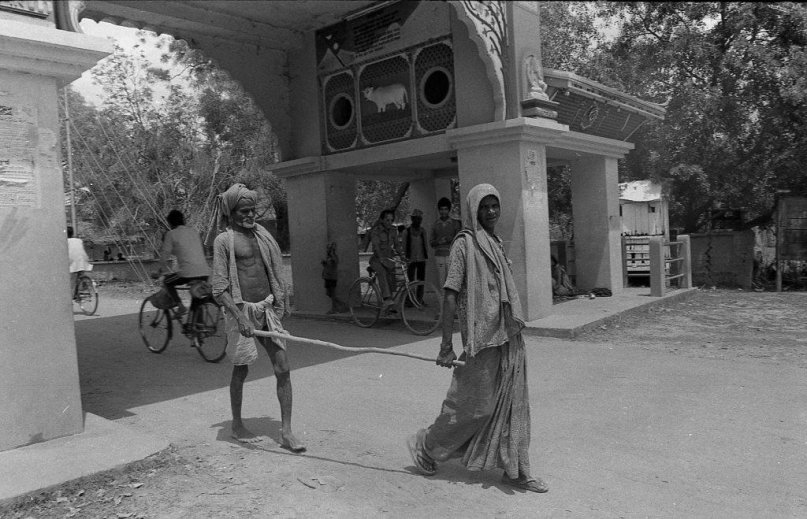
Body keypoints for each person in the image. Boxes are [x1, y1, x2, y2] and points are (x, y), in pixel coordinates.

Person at [407, 183, 548, 493]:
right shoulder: (464, 245)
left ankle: (515, 469)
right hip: (482, 340)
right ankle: (426, 445)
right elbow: (450, 294)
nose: (491, 211)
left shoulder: (495, 242)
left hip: (508, 336)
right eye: (484, 207)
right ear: (473, 210)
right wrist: (446, 345)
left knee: (513, 404)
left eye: (494, 205)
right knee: (474, 406)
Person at [210, 183, 305, 452]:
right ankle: (237, 425)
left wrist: (279, 301)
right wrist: (240, 318)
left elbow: (272, 271)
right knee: (241, 369)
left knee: (283, 367)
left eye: (253, 210)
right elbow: (219, 289)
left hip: (266, 309)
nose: (251, 215)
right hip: (241, 311)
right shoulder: (224, 241)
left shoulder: (261, 236)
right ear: (231, 212)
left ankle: (286, 432)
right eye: (244, 211)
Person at [159, 209, 210, 316]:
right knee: (197, 298)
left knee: (167, 282)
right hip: (205, 272)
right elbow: (202, 251)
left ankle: (181, 306)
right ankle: (198, 323)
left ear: (170, 223)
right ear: (183, 220)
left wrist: (163, 271)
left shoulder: (171, 234)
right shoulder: (194, 232)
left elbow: (164, 256)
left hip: (187, 273)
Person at [369, 208, 402, 311]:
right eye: (387, 220)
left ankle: (389, 305)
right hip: (377, 259)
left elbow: (397, 245)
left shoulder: (393, 230)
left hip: (388, 259)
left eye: (391, 220)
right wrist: (382, 259)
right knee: (382, 272)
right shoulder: (376, 231)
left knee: (392, 278)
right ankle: (387, 299)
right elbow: (376, 247)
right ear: (382, 220)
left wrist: (402, 256)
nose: (389, 222)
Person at [430, 197, 462, 290]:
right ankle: (442, 299)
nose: (443, 212)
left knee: (452, 280)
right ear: (439, 210)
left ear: (449, 210)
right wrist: (438, 242)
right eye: (441, 209)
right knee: (441, 280)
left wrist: (450, 239)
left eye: (445, 209)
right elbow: (431, 242)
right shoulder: (435, 224)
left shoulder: (455, 224)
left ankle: (452, 299)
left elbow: (459, 239)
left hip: (452, 255)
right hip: (439, 256)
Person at [402, 208, 428, 303]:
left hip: (421, 259)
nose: (418, 220)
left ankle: (419, 299)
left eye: (419, 219)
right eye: (416, 218)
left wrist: (426, 257)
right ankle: (410, 299)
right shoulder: (406, 232)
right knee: (410, 281)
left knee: (421, 281)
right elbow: (404, 246)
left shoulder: (423, 231)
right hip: (410, 260)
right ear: (412, 219)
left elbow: (425, 245)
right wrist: (405, 258)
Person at [67, 226, 92, 298]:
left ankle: (71, 296)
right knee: (80, 273)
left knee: (72, 279)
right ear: (72, 233)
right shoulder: (79, 240)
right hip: (83, 259)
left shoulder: (65, 241)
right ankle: (84, 287)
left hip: (73, 261)